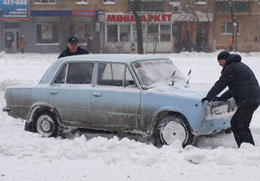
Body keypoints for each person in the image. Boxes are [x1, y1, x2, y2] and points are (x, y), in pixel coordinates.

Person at [201, 51, 260, 148]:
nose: (219, 64)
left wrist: (209, 96)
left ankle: (248, 148)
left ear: (225, 59)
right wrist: (221, 98)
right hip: (251, 98)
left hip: (249, 100)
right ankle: (245, 147)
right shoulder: (236, 66)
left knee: (240, 125)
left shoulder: (231, 68)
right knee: (237, 124)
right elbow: (234, 89)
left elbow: (220, 84)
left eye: (220, 61)